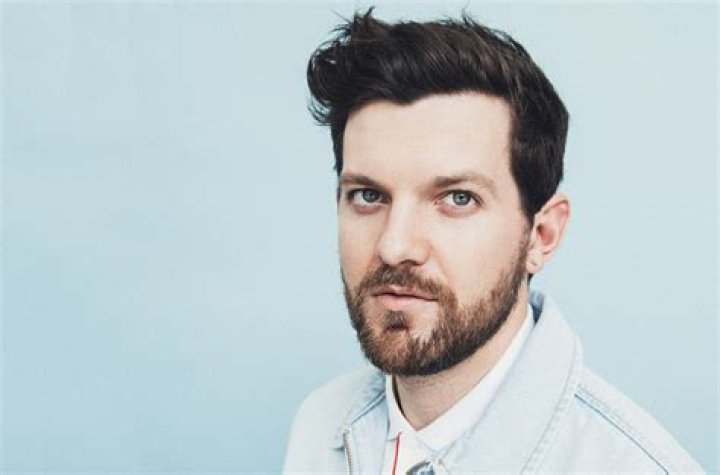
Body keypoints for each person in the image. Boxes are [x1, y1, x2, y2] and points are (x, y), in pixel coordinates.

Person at [283, 9, 701, 473]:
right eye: (368, 195)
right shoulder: (321, 425)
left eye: (457, 198)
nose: (395, 246)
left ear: (541, 235)